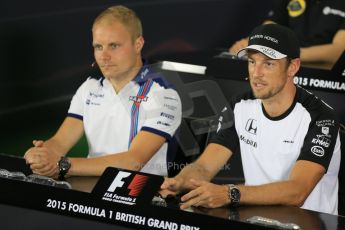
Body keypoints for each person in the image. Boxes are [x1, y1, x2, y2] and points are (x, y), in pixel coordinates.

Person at [162, 24, 341, 215]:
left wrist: (230, 194)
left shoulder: (321, 118)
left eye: (268, 63)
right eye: (252, 62)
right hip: (254, 218)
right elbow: (205, 166)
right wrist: (179, 181)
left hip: (309, 223)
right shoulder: (240, 105)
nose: (256, 73)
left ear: (293, 67)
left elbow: (297, 191)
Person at [24, 5, 182, 178]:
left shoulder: (163, 95)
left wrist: (64, 165)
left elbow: (133, 162)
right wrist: (41, 154)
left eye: (113, 46)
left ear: (138, 44)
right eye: (98, 46)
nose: (104, 56)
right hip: (88, 186)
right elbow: (60, 142)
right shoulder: (88, 89)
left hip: (138, 196)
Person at [229, 0, 345, 68]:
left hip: (324, 79)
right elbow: (270, 27)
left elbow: (338, 53)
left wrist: (285, 55)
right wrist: (251, 43)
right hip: (285, 68)